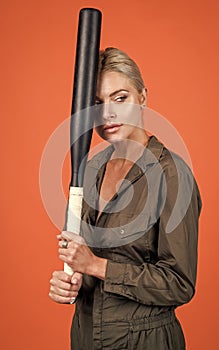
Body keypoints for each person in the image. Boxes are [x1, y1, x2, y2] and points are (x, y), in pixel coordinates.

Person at [49, 47, 202, 350]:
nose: (108, 113)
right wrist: (72, 281)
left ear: (143, 97)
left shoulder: (172, 175)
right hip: (85, 335)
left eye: (120, 98)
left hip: (145, 340)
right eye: (97, 103)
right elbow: (82, 257)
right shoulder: (90, 169)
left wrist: (96, 266)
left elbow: (179, 284)